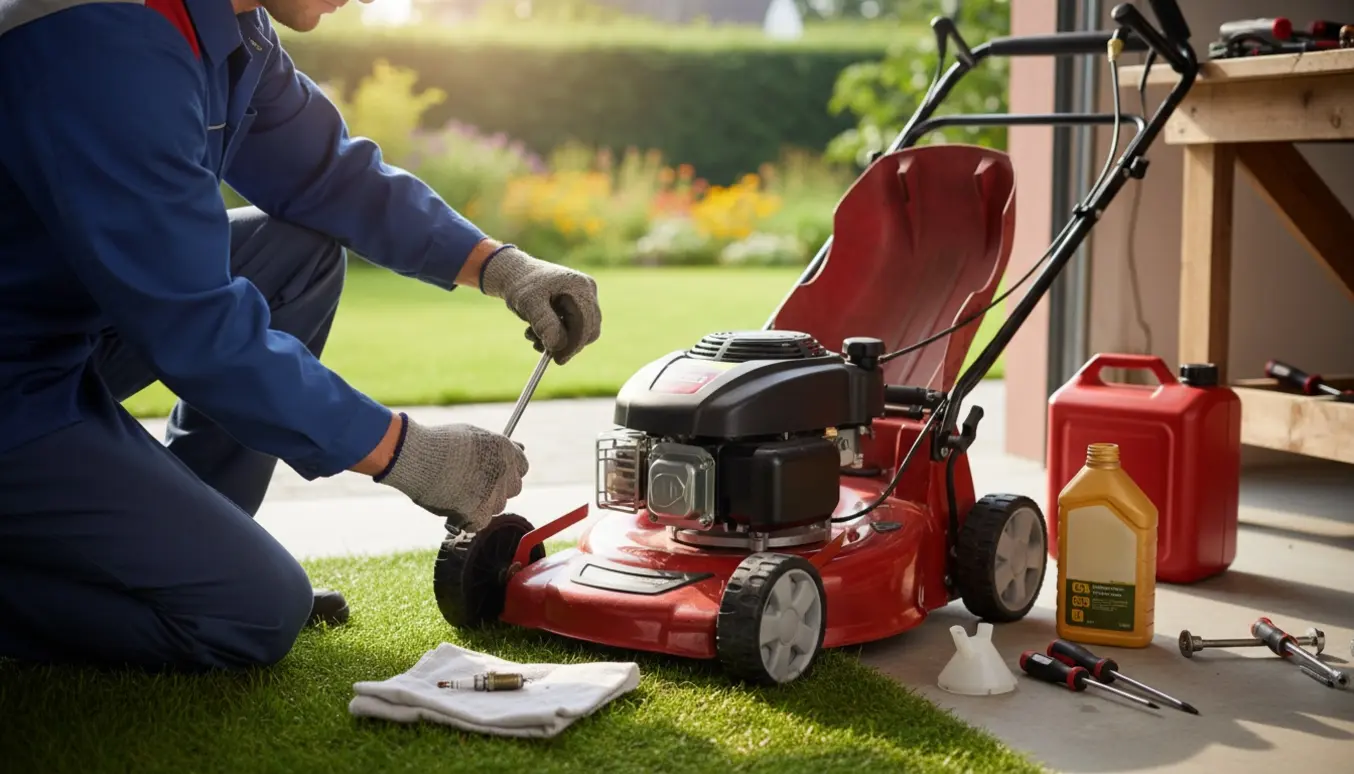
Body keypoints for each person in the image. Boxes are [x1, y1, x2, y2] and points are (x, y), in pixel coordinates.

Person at [0, 0, 602, 673]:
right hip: (15, 386)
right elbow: (196, 327)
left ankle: (192, 546)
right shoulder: (105, 36)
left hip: (58, 328)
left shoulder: (234, 28)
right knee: (251, 614)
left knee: (296, 254)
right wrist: (410, 452)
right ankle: (197, 586)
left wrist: (503, 268)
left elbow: (331, 176)